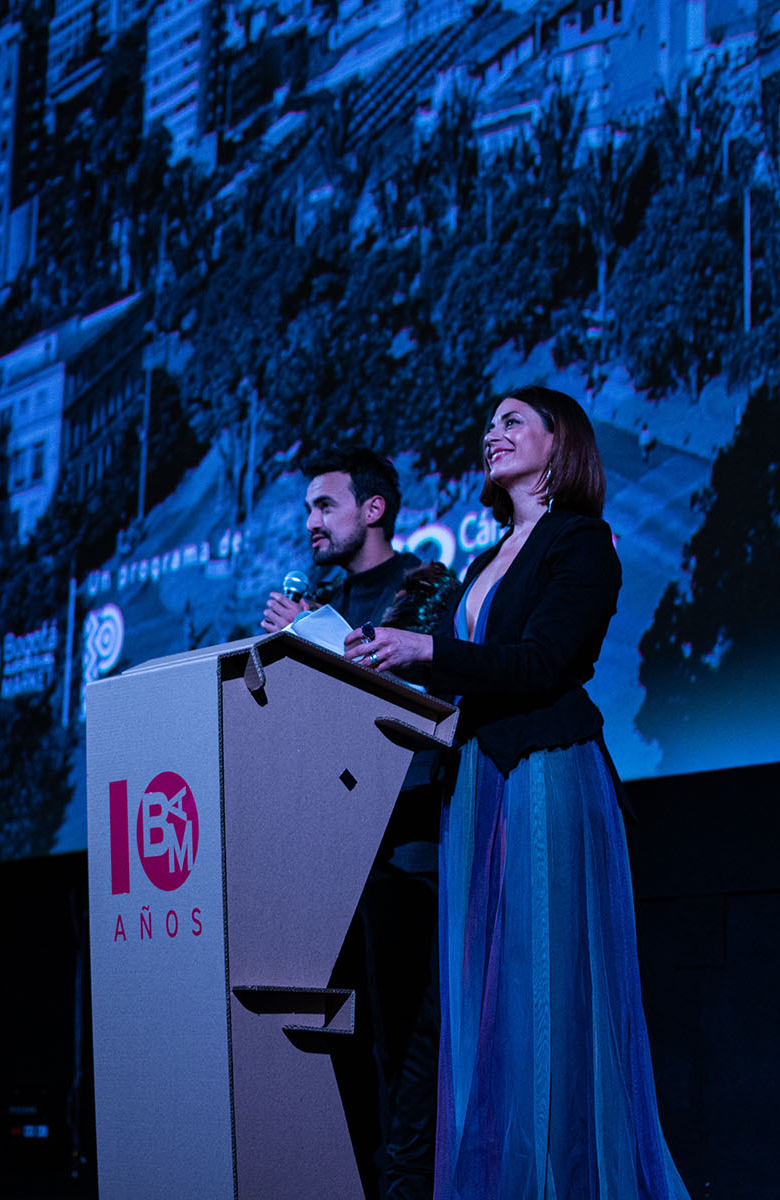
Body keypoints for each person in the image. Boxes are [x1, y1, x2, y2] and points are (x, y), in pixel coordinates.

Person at [345, 388, 689, 1200]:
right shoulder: (484, 559)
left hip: (542, 773)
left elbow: (540, 665)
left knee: (539, 992)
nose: (492, 434)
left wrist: (424, 650)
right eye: (489, 423)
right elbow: (460, 682)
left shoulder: (583, 542)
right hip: (474, 784)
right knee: (481, 1001)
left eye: (512, 422)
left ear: (558, 442)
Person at [263, 447, 454, 1200]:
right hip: (330, 840)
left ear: (373, 510)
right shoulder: (323, 601)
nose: (311, 522)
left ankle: (409, 1186)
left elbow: (395, 685)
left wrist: (311, 635)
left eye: (325, 506)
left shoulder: (427, 586)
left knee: (404, 1035)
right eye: (307, 508)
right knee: (340, 1030)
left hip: (404, 839)